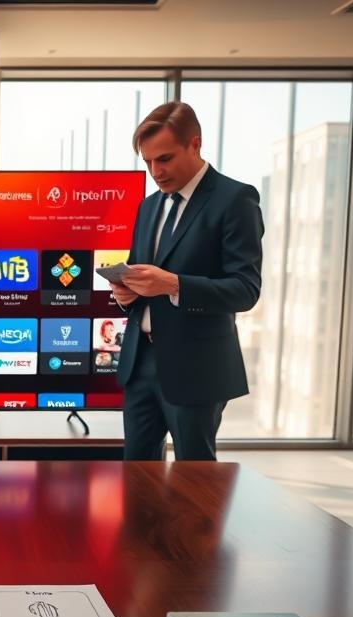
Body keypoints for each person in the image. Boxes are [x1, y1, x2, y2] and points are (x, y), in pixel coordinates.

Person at [110, 101, 262, 461]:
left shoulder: (235, 199)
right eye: (147, 162)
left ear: (195, 144)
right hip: (140, 361)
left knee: (195, 483)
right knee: (136, 478)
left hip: (197, 368)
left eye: (164, 158)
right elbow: (140, 274)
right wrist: (126, 292)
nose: (155, 171)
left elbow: (246, 289)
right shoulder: (148, 206)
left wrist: (175, 284)